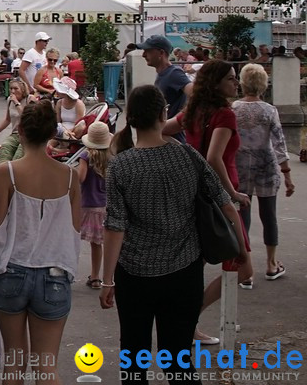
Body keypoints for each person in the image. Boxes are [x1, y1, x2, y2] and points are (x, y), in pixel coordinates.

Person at [100, 85, 244, 380]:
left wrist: (106, 279)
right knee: (179, 358)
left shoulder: (121, 167)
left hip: (135, 275)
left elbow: (115, 227)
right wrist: (240, 248)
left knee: (134, 357)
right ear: (163, 113)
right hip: (184, 272)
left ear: (132, 118)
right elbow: (225, 204)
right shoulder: (187, 157)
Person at [0, 99, 81, 384]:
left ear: (20, 131)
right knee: (46, 366)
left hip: (11, 272)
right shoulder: (70, 177)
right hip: (54, 274)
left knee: (14, 362)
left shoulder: (6, 172)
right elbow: (74, 231)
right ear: (50, 134)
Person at [162, 59, 251, 345]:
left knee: (195, 265)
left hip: (193, 194)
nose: (235, 83)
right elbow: (214, 157)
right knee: (242, 265)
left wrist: (183, 153)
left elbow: (162, 129)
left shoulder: (195, 111)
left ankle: (186, 323)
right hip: (220, 199)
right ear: (216, 84)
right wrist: (232, 194)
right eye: (230, 79)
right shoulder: (225, 115)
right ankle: (189, 320)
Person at [232, 63, 294, 283]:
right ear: (263, 84)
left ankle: (245, 271)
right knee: (269, 216)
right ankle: (271, 264)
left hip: (240, 167)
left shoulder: (234, 109)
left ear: (242, 82)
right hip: (266, 166)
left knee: (242, 218)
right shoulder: (270, 110)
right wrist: (286, 174)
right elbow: (279, 143)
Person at [137, 35, 193, 142]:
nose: (143, 55)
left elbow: (197, 95)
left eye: (147, 51)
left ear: (161, 53)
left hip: (174, 141)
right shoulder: (163, 74)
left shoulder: (173, 73)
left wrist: (178, 120)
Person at [76, 121, 112, 289]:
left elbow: (80, 178)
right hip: (107, 205)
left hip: (89, 205)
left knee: (92, 242)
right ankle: (106, 277)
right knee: (107, 242)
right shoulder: (112, 156)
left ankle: (95, 277)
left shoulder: (86, 155)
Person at [0, 79, 29, 162]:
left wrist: (16, 102)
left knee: (18, 156)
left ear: (22, 89)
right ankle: (3, 172)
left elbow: (26, 116)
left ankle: (15, 173)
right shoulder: (10, 100)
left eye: (16, 88)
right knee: (5, 147)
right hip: (15, 134)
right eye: (11, 88)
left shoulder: (29, 99)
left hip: (28, 135)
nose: (13, 91)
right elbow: (7, 119)